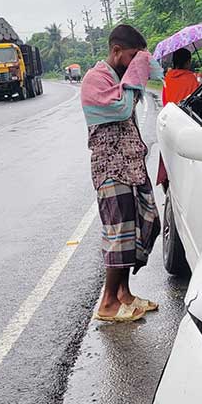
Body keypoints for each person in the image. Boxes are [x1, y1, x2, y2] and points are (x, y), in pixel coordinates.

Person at [81, 24, 164, 322]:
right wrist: (133, 76)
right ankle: (107, 304)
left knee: (139, 229)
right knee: (119, 235)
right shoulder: (95, 79)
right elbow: (119, 110)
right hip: (111, 169)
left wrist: (138, 68)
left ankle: (124, 295)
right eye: (131, 57)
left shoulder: (118, 77)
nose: (136, 64)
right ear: (115, 51)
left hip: (131, 164)